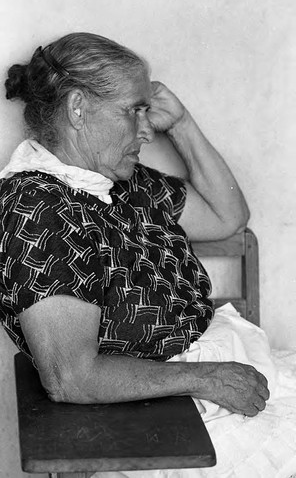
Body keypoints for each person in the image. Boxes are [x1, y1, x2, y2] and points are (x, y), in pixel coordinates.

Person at [0, 32, 269, 417]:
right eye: (133, 111)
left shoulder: (117, 178)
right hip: (159, 414)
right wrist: (207, 379)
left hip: (216, 378)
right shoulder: (38, 209)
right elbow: (71, 377)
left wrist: (181, 123)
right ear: (77, 108)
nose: (147, 131)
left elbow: (228, 216)